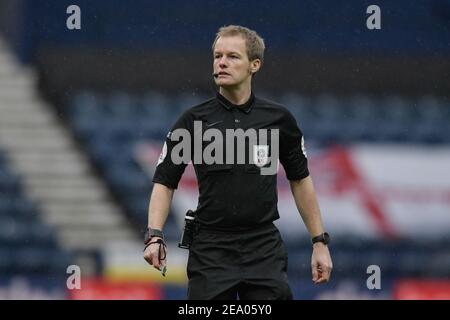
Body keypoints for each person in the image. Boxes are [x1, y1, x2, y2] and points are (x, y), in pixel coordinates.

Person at [143, 25, 332, 300]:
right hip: (211, 249)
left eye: (232, 56)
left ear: (255, 65)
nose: (221, 62)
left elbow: (300, 179)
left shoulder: (279, 120)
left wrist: (319, 242)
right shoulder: (192, 121)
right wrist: (155, 236)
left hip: (263, 247)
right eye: (217, 56)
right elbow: (165, 181)